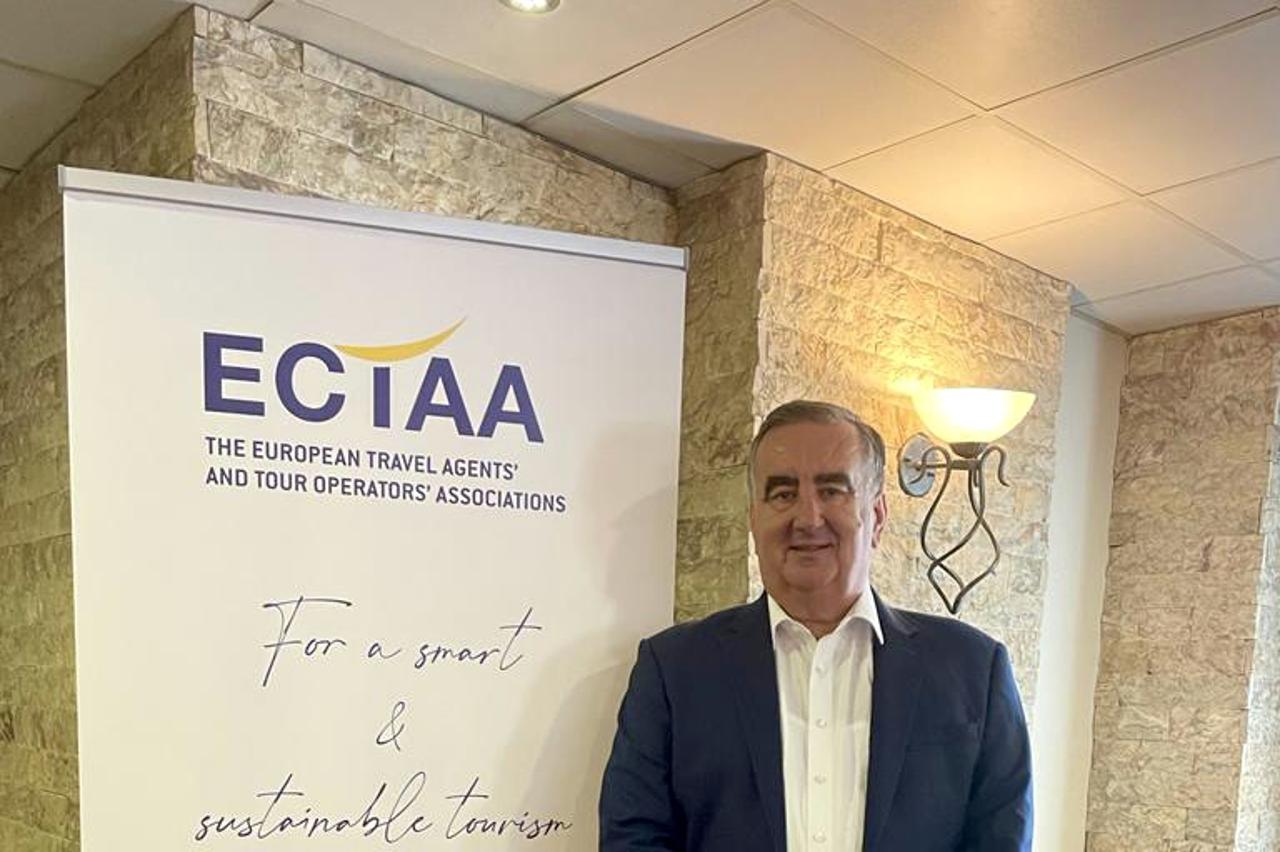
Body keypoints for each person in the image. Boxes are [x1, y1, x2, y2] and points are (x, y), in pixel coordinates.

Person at [599, 400, 1032, 851]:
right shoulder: (674, 670)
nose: (807, 518)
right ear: (754, 520)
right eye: (782, 494)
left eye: (832, 491)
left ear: (877, 517)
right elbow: (633, 837)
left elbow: (1000, 840)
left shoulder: (973, 670)